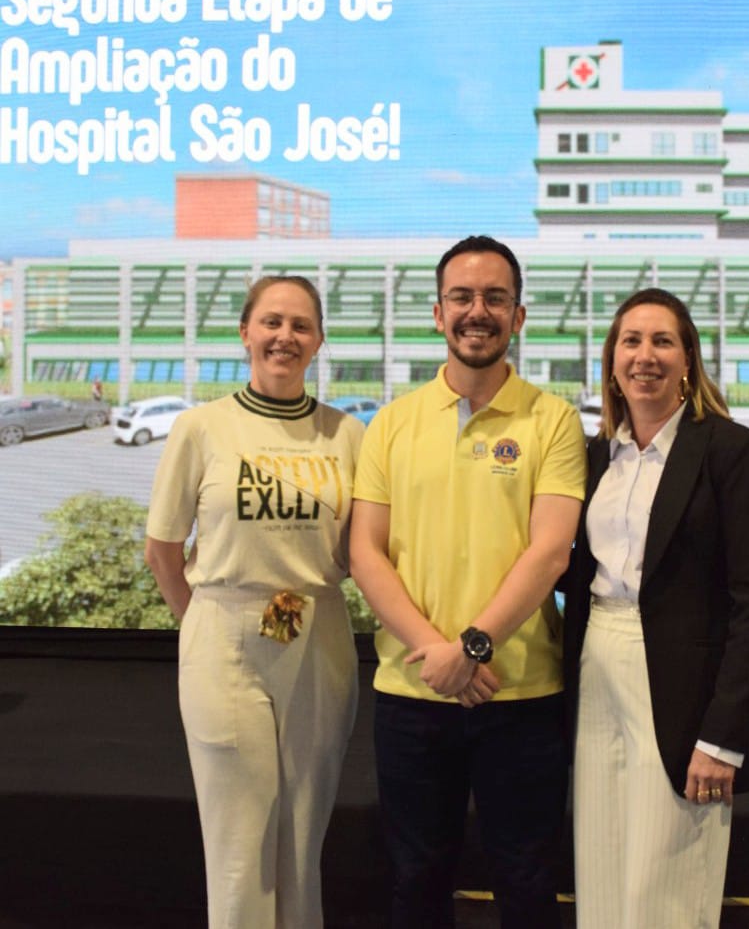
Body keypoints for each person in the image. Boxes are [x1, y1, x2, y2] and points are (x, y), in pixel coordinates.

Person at [349, 235, 586, 928]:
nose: (476, 311)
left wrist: (473, 647)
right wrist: (439, 654)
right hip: (412, 691)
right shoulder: (391, 422)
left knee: (527, 884)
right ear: (437, 313)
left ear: (518, 316)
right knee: (416, 882)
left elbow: (550, 551)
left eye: (494, 298)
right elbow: (365, 553)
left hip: (522, 695)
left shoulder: (553, 419)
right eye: (461, 297)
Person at [144, 275, 365, 929]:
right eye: (271, 322)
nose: (284, 337)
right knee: (239, 844)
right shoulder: (200, 428)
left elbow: (364, 553)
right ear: (245, 332)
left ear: (318, 340)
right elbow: (162, 551)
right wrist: (206, 627)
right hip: (223, 635)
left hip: (318, 634)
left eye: (300, 325)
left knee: (302, 837)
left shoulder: (348, 435)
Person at [562, 287, 749, 929]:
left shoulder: (732, 451)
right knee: (601, 873)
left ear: (689, 360)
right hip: (597, 670)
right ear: (612, 361)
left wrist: (723, 738)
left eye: (663, 341)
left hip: (684, 695)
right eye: (631, 341)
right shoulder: (595, 457)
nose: (645, 356)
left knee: (665, 890)